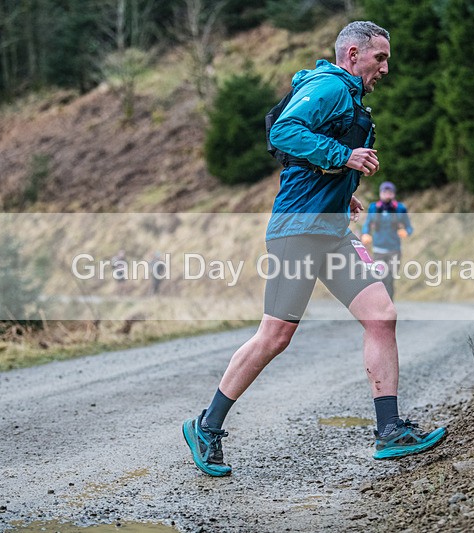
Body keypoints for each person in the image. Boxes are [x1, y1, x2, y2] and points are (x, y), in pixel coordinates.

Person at [182, 21, 446, 477]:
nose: (386, 67)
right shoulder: (328, 85)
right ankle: (206, 425)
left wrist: (346, 190)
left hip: (333, 231)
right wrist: (344, 157)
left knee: (382, 315)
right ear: (351, 54)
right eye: (379, 57)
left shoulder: (350, 97)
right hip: (298, 230)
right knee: (275, 337)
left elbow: (314, 158)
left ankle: (389, 431)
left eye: (386, 58)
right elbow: (285, 132)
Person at [361, 181, 413, 300]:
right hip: (378, 250)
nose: (387, 195)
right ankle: (380, 304)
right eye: (384, 192)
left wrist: (406, 232)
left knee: (390, 279)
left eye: (390, 192)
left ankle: (389, 306)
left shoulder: (400, 208)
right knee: (380, 278)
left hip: (394, 250)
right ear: (380, 193)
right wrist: (365, 234)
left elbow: (409, 227)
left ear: (394, 194)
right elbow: (367, 224)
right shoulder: (374, 207)